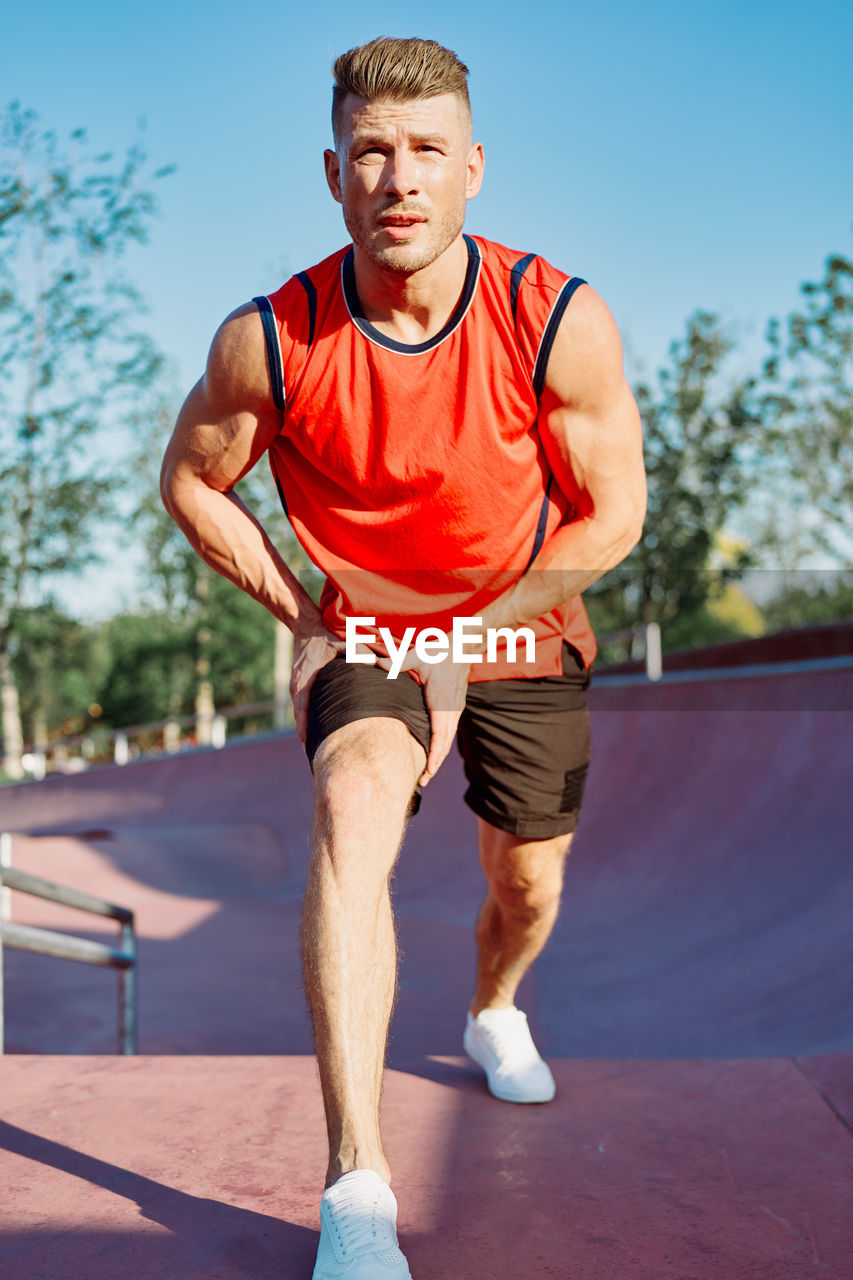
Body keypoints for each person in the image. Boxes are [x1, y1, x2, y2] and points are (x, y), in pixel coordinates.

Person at [161, 34, 646, 1280]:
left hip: (523, 621)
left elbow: (613, 512)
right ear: (332, 174)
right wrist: (304, 612)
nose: (400, 177)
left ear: (472, 166)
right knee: (351, 805)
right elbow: (193, 481)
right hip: (365, 626)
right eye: (371, 152)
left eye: (427, 149)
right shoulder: (271, 339)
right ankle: (357, 1191)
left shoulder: (554, 318)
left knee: (525, 884)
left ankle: (491, 1007)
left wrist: (471, 634)